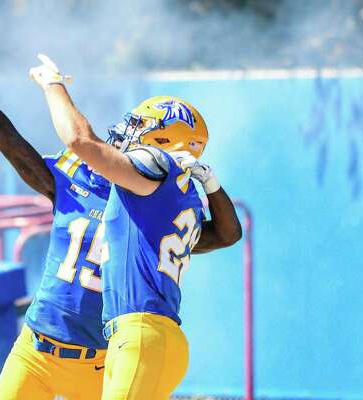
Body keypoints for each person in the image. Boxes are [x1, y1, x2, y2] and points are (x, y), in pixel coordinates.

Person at [0, 36, 240, 399]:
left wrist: (211, 185)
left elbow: (223, 234)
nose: (127, 132)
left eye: (142, 127)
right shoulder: (85, 176)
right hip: (37, 347)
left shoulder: (158, 204)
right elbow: (12, 144)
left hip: (104, 360)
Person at [30, 55, 241, 399]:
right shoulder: (176, 196)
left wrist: (52, 84)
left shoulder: (154, 168)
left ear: (163, 139)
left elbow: (80, 141)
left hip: (142, 335)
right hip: (143, 337)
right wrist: (212, 185)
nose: (129, 131)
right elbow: (228, 234)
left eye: (142, 125)